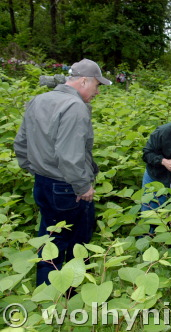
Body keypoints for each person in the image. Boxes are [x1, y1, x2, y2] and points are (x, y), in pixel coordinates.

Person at [14, 59, 112, 286]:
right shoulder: (75, 106)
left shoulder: (39, 100)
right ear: (84, 81)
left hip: (43, 184)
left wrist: (37, 169)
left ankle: (47, 298)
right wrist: (83, 186)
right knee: (77, 244)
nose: (97, 92)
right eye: (97, 86)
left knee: (50, 241)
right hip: (68, 188)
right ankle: (67, 298)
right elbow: (70, 155)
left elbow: (21, 143)